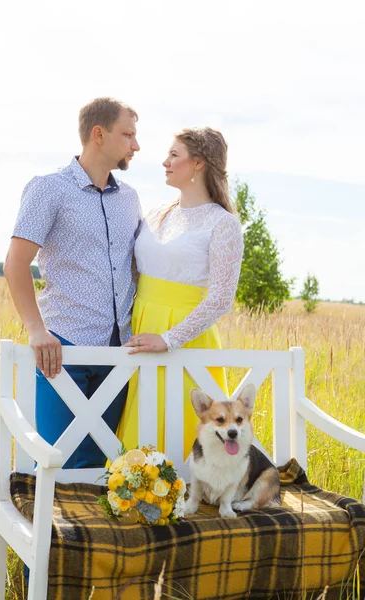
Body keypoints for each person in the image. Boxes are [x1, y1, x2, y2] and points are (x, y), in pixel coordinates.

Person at [4, 97, 142, 468]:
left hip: (118, 353)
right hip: (62, 350)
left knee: (103, 468)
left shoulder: (130, 199)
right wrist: (36, 330)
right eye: (128, 134)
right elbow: (16, 264)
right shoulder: (49, 189)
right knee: (57, 462)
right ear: (99, 134)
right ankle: (46, 529)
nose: (136, 145)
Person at [119, 127, 244, 459]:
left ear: (199, 163)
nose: (165, 162)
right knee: (137, 423)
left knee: (182, 431)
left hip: (185, 337)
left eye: (174, 155)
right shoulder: (157, 213)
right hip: (141, 328)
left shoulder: (223, 223)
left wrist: (169, 338)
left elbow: (220, 298)